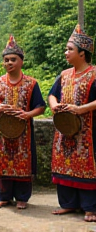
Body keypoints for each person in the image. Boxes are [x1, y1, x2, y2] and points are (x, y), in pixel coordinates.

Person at [0, 35, 46, 210]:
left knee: (24, 163)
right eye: (6, 60)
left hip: (23, 133)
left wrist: (27, 115)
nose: (9, 63)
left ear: (21, 62)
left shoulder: (31, 84)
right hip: (3, 133)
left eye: (13, 59)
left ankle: (22, 197)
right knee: (2, 162)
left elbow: (40, 107)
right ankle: (3, 196)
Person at [48, 24, 96, 222]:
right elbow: (51, 94)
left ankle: (90, 207)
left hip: (89, 130)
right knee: (64, 164)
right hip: (64, 130)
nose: (66, 52)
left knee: (87, 165)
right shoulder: (64, 74)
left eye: (70, 49)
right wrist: (55, 106)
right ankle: (68, 204)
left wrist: (81, 109)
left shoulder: (94, 74)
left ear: (82, 53)